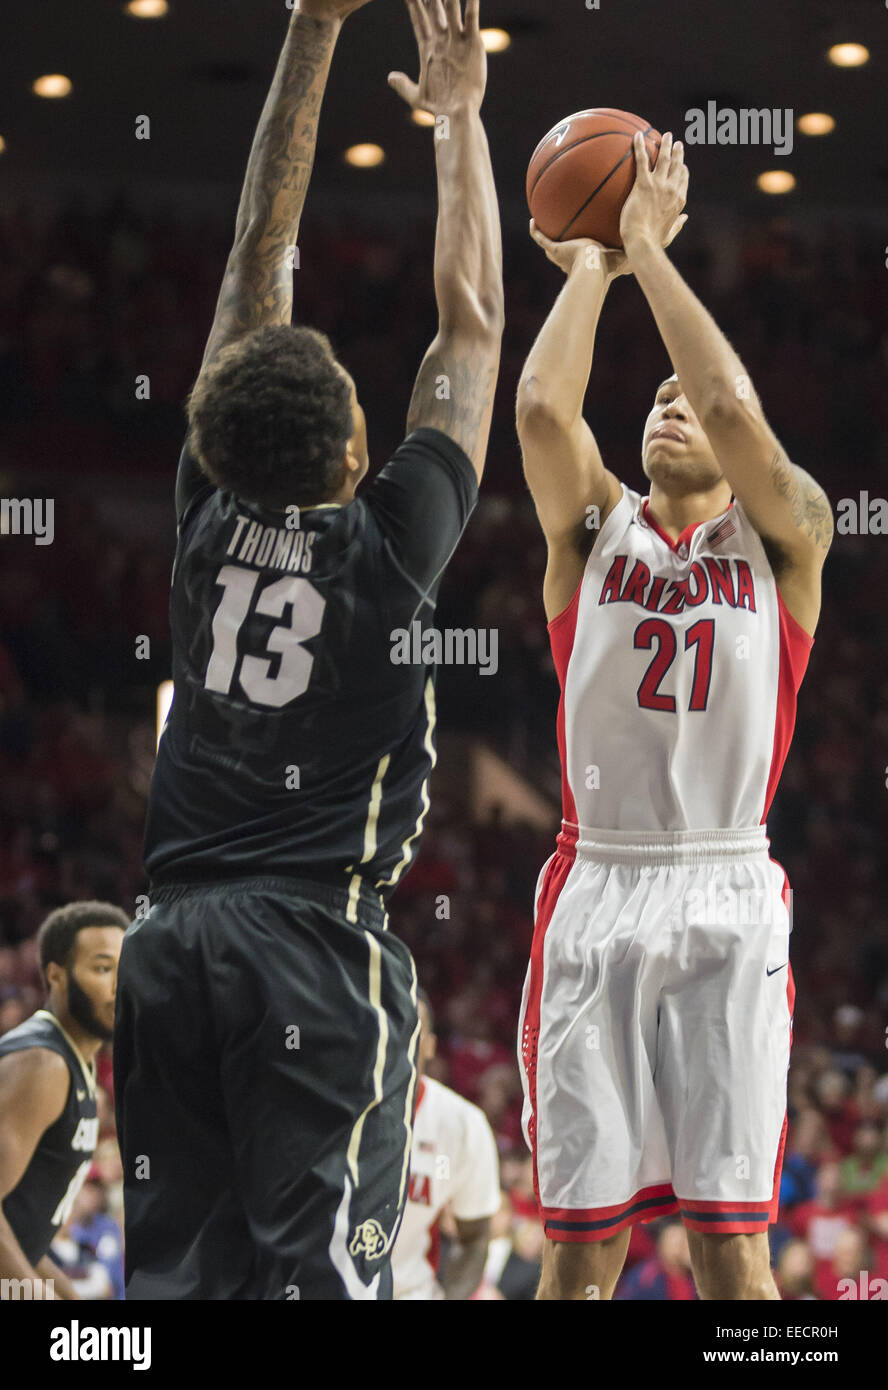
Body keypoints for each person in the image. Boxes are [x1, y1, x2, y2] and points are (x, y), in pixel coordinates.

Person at [114, 0, 503, 1301]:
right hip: (312, 946)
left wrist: (313, 24)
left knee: (174, 1292)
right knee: (327, 1281)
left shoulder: (201, 508)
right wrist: (462, 122)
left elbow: (254, 257)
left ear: (218, 435)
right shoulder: (388, 547)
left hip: (166, 941)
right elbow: (470, 324)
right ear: (354, 451)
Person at [515, 131, 833, 1300]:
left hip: (728, 886)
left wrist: (649, 249)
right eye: (651, 401)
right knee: (580, 1256)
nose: (669, 408)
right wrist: (594, 267)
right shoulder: (592, 531)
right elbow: (547, 408)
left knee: (732, 1255)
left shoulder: (790, 533)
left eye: (679, 400)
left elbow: (735, 404)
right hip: (597, 879)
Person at [0, 901, 127, 1299]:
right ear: (56, 976)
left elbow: (22, 1232)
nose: (117, 987)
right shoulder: (44, 1064)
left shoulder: (77, 1065)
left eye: (125, 971)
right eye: (103, 968)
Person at [392, 991, 501, 1299]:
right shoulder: (334, 1109)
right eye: (391, 1024)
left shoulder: (462, 1123)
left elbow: (475, 1239)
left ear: (430, 1045)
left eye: (412, 1030)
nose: (400, 1039)